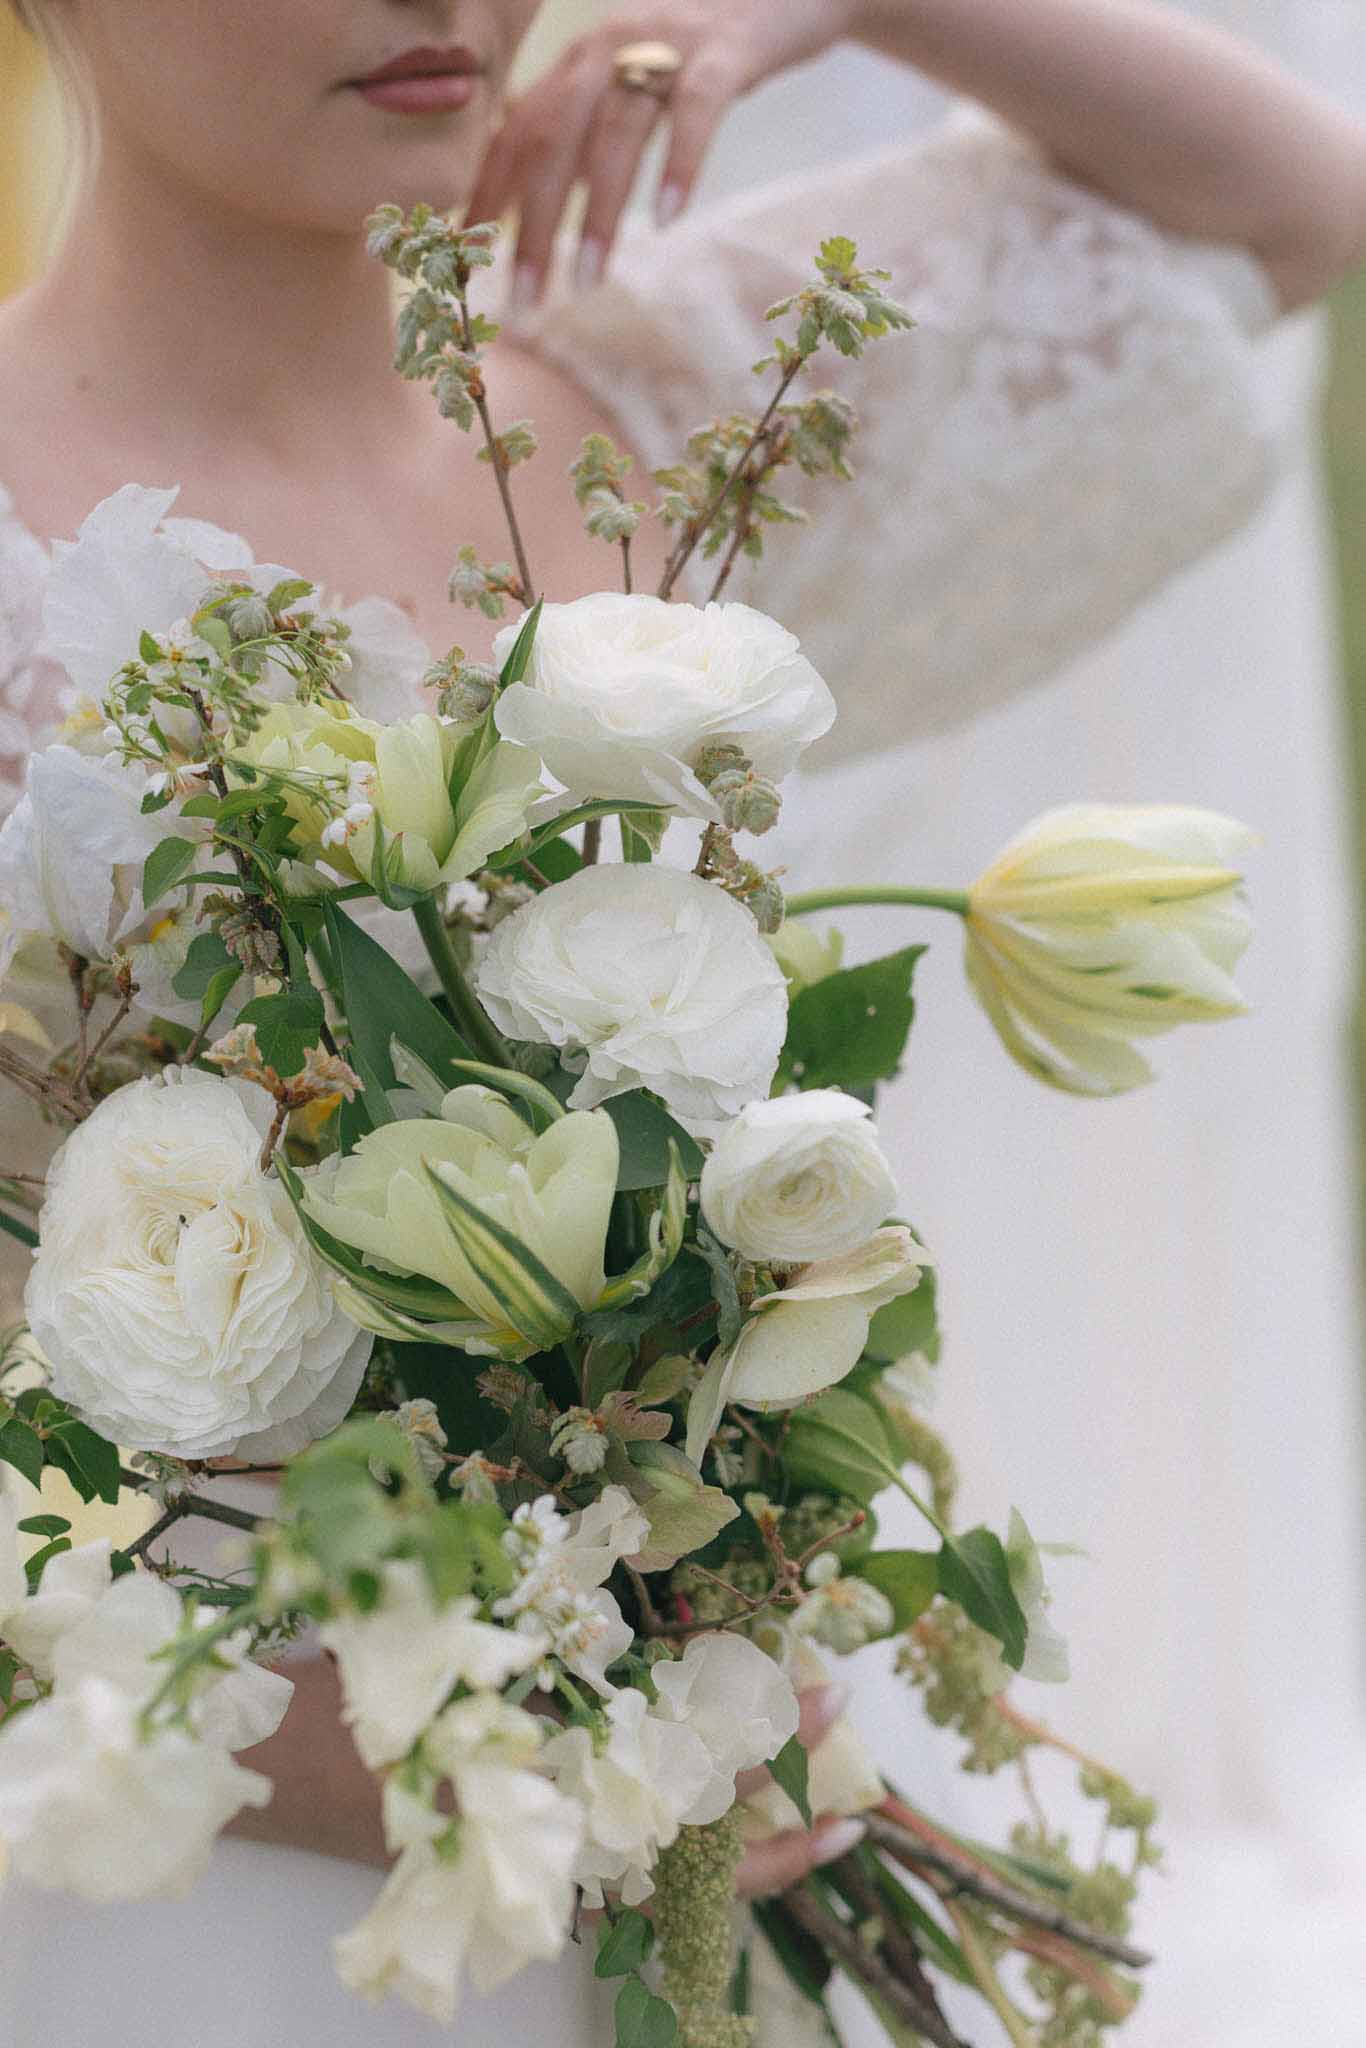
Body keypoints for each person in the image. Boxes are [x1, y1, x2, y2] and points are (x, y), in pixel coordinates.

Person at [0, 2, 1363, 2043]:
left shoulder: (652, 434)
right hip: (175, 1874)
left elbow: (1281, 210)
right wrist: (422, 1743)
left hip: (720, 1825)